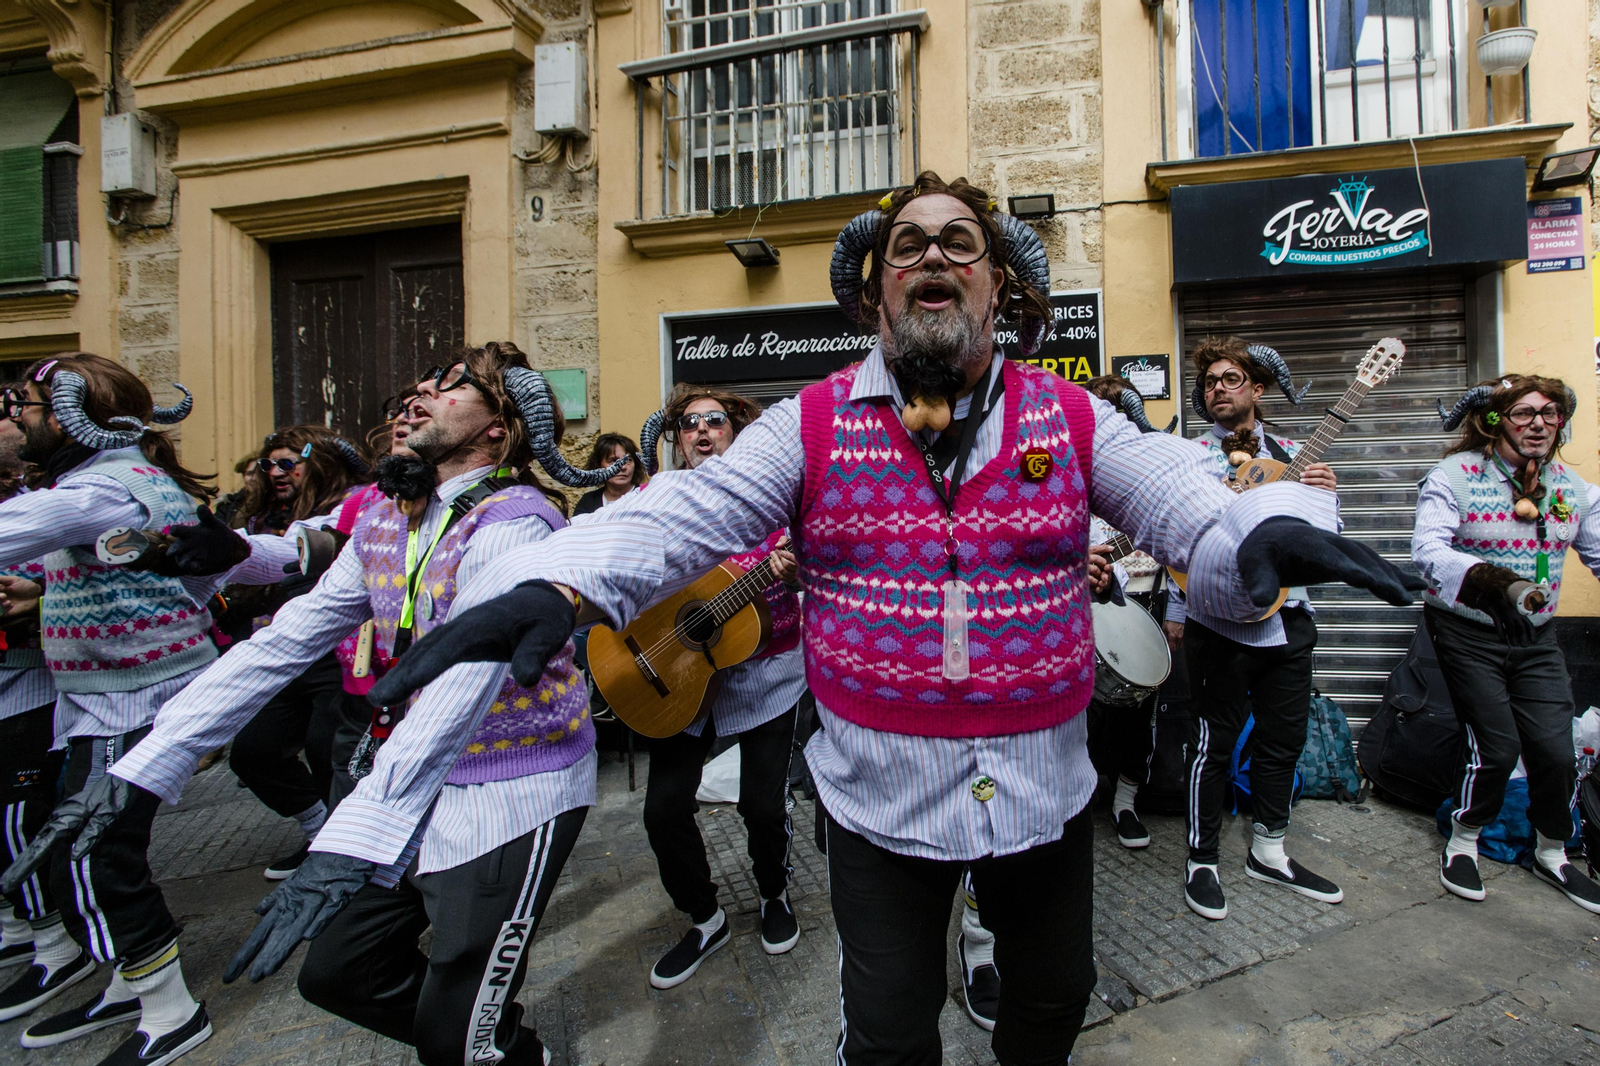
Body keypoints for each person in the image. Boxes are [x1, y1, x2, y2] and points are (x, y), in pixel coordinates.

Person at [348, 172, 1422, 1064]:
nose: (932, 257)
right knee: (888, 1036)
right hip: (876, 807)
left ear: (999, 284)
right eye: (905, 245)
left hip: (1044, 796)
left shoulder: (1074, 417)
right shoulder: (810, 424)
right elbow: (687, 511)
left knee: (1053, 1007)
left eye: (960, 240)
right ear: (877, 295)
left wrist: (1258, 541)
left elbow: (1193, 514)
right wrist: (552, 581)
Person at [4, 343, 631, 1066]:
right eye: (419, 383)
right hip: (414, 785)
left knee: (455, 1034)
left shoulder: (516, 523)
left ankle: (489, 1042)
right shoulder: (387, 518)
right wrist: (144, 766)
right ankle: (487, 1039)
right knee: (337, 976)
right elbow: (282, 642)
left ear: (502, 428)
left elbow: (461, 689)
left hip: (514, 789)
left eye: (452, 389)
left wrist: (342, 844)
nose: (419, 395)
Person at [0, 353, 303, 1066]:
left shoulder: (101, 491)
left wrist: (310, 551)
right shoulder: (125, 482)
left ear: (78, 417)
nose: (18, 418)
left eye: (28, 405)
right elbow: (242, 560)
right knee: (84, 847)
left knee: (92, 846)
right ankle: (128, 985)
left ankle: (169, 1010)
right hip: (102, 698)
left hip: (127, 702)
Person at [634, 383, 805, 989]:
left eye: (714, 421)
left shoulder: (772, 497)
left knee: (762, 804)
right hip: (679, 674)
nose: (701, 431)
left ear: (735, 430)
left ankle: (772, 893)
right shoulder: (658, 495)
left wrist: (788, 571)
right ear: (677, 438)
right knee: (662, 810)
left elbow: (808, 562)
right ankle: (705, 918)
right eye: (688, 423)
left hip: (764, 675)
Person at [1175, 336, 1344, 923]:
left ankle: (1269, 849)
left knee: (1283, 738)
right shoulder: (1191, 456)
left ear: (1259, 390)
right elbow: (1176, 535)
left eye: (1231, 379)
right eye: (1210, 382)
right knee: (1213, 742)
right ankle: (1202, 858)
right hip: (1218, 620)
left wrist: (1324, 498)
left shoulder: (1298, 454)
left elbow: (1325, 542)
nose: (1217, 388)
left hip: (1291, 616)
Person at [1416, 377, 1600, 914]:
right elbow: (1427, 550)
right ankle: (1464, 839)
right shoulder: (1454, 476)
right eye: (1523, 413)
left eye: (1550, 413)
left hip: (1537, 636)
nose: (1539, 423)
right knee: (1495, 746)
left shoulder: (1575, 490)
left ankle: (1551, 850)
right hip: (1466, 629)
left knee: (1556, 750)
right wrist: (1494, 583)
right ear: (1494, 421)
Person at [217, 426, 373, 880]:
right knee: (252, 751)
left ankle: (339, 849)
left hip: (336, 650)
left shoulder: (356, 503)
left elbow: (305, 548)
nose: (276, 472)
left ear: (321, 460)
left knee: (327, 748)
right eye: (270, 464)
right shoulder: (262, 513)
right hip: (282, 647)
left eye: (289, 462)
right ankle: (318, 827)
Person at [573, 433, 646, 515]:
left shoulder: (646, 496)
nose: (623, 467)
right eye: (613, 461)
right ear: (599, 466)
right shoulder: (588, 501)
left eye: (628, 460)